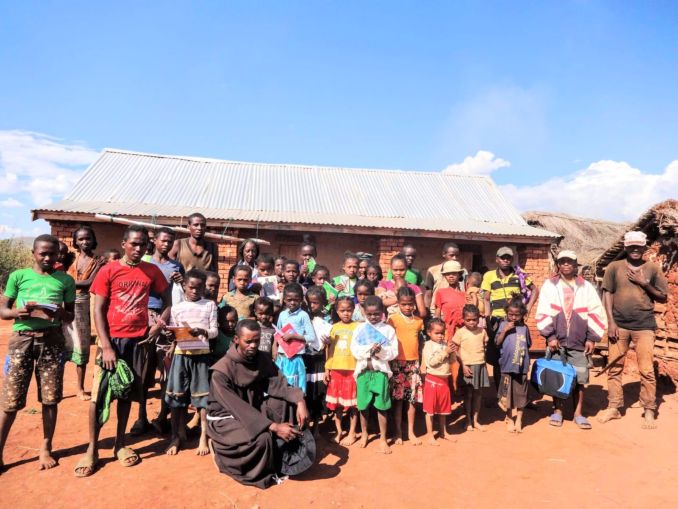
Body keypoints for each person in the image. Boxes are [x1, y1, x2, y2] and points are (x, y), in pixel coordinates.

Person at [74, 225, 169, 477]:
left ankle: (120, 444)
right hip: (112, 341)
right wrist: (106, 346)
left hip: (138, 342)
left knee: (126, 393)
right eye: (134, 244)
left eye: (143, 245)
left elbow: (168, 301)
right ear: (124, 243)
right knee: (99, 396)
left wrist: (157, 327)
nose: (139, 249)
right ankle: (92, 449)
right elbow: (97, 310)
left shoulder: (152, 271)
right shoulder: (108, 270)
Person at [0, 234, 76, 472]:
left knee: (50, 399)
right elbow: (3, 310)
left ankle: (46, 448)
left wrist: (58, 314)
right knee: (10, 401)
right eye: (42, 253)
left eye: (52, 254)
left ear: (58, 255)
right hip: (21, 341)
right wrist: (17, 313)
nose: (47, 257)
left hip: (52, 341)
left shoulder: (65, 280)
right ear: (33, 252)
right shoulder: (18, 276)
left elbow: (71, 315)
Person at [207, 319, 310, 489]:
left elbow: (279, 384)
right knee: (262, 438)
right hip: (226, 418)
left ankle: (281, 456)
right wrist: (273, 426)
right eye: (248, 341)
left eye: (256, 340)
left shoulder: (261, 358)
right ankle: (222, 456)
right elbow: (237, 407)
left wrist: (300, 400)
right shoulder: (221, 371)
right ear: (236, 340)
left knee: (287, 403)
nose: (253, 345)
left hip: (251, 409)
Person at [598, 232, 668, 429]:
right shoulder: (614, 267)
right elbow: (607, 294)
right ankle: (614, 407)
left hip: (644, 326)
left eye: (639, 246)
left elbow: (663, 297)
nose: (635, 249)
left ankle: (648, 409)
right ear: (626, 247)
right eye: (631, 246)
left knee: (646, 369)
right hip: (618, 326)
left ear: (645, 247)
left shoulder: (653, 269)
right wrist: (610, 322)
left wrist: (644, 283)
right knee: (614, 367)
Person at [535, 250, 606, 430]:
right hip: (556, 342)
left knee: (580, 380)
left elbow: (596, 312)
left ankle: (578, 413)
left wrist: (591, 338)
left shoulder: (586, 287)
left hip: (579, 342)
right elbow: (543, 311)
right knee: (557, 376)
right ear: (558, 265)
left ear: (576, 265)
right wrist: (550, 336)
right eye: (562, 262)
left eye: (570, 262)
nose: (566, 264)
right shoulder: (549, 286)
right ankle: (557, 411)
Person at [164, 269, 218, 456]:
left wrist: (202, 331)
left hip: (201, 355)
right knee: (176, 397)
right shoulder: (177, 307)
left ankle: (203, 436)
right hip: (181, 354)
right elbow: (175, 331)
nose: (195, 291)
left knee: (202, 398)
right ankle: (176, 436)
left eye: (199, 288)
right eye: (191, 287)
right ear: (184, 286)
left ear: (204, 287)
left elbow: (214, 331)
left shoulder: (210, 305)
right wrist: (170, 334)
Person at [141, 227, 184, 435]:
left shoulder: (176, 266)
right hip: (144, 315)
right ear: (155, 241)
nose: (166, 245)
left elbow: (180, 295)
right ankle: (141, 416)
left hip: (167, 316)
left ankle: (162, 415)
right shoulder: (145, 262)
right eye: (163, 241)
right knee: (143, 369)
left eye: (170, 241)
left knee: (165, 367)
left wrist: (180, 282)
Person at [482, 246, 538, 389]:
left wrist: (528, 308)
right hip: (497, 321)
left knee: (517, 351)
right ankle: (500, 392)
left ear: (512, 259)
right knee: (497, 356)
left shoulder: (519, 274)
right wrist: (488, 320)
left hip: (516, 321)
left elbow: (535, 290)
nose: (505, 260)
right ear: (497, 259)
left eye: (508, 257)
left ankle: (517, 389)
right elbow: (486, 299)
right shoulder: (489, 276)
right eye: (502, 257)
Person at [350, 296, 398, 454]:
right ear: (364, 313)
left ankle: (383, 438)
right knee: (363, 406)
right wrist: (369, 349)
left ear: (382, 312)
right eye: (369, 314)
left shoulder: (388, 330)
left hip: (380, 373)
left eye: (376, 314)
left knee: (381, 406)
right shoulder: (359, 328)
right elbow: (354, 350)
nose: (373, 317)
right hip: (363, 371)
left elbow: (393, 352)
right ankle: (364, 434)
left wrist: (381, 351)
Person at [65, 225, 104, 401]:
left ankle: (81, 388)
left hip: (83, 304)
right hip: (65, 303)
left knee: (82, 346)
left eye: (87, 238)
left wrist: (69, 283)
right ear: (76, 241)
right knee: (63, 343)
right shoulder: (70, 259)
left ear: (93, 240)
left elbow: (89, 283)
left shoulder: (97, 261)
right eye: (80, 239)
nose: (84, 242)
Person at [388, 287, 425, 445]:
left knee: (411, 399)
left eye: (410, 304)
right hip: (397, 364)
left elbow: (421, 344)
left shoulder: (419, 321)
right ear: (398, 303)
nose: (408, 307)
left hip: (414, 363)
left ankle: (411, 431)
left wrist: (422, 363)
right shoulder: (393, 319)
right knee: (398, 400)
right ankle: (398, 433)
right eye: (404, 304)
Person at [325, 297, 359, 445]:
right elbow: (329, 350)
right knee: (337, 405)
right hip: (336, 370)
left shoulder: (358, 326)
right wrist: (327, 368)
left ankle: (352, 432)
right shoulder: (333, 327)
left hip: (353, 370)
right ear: (337, 311)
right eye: (342, 310)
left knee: (353, 404)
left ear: (353, 310)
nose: (346, 313)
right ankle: (339, 431)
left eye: (349, 310)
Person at [495, 298, 531, 433]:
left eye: (517, 315)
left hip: (521, 366)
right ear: (506, 313)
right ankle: (509, 417)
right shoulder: (503, 324)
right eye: (511, 314)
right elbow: (497, 342)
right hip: (506, 365)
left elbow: (527, 345)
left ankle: (519, 419)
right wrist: (504, 330)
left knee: (521, 394)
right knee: (507, 394)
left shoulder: (524, 328)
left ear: (522, 315)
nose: (514, 317)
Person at [452, 304, 489, 432]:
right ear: (463, 319)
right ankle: (467, 420)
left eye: (474, 319)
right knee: (468, 395)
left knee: (478, 394)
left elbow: (484, 346)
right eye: (468, 320)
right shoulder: (460, 332)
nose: (472, 322)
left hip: (480, 365)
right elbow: (455, 350)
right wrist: (463, 364)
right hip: (467, 367)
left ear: (478, 319)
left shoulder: (482, 331)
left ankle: (475, 420)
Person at [275, 283, 317, 393]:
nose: (292, 302)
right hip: (282, 358)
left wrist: (293, 336)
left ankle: (297, 409)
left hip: (296, 358)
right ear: (284, 300)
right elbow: (278, 333)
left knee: (296, 389)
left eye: (296, 299)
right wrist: (275, 352)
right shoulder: (282, 315)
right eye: (289, 300)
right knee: (282, 387)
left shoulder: (303, 315)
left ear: (301, 300)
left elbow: (311, 337)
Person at [421, 318, 455, 445]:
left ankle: (443, 431)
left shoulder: (445, 344)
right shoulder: (428, 345)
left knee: (443, 409)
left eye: (442, 332)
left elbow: (451, 362)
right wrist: (445, 352)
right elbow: (432, 362)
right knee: (430, 410)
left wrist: (451, 352)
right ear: (429, 333)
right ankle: (430, 435)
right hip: (432, 381)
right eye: (437, 333)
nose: (440, 336)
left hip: (444, 380)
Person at [304, 286, 330, 436]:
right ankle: (307, 425)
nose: (312, 306)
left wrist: (329, 342)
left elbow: (330, 345)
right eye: (309, 302)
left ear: (323, 303)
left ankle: (317, 427)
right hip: (306, 360)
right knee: (307, 391)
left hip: (320, 360)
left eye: (316, 302)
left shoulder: (328, 319)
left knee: (319, 392)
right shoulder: (303, 317)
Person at [423, 242, 465, 308]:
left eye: (457, 256)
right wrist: (427, 311)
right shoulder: (433, 270)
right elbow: (428, 294)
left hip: (455, 310)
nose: (455, 258)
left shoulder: (462, 271)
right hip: (436, 311)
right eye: (452, 255)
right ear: (444, 254)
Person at [433, 260, 467, 339]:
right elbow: (437, 313)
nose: (451, 276)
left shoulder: (465, 295)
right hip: (447, 332)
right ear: (444, 276)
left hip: (463, 331)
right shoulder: (441, 292)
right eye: (448, 274)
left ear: (459, 274)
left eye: (454, 273)